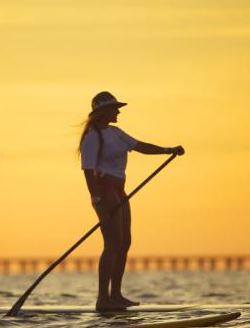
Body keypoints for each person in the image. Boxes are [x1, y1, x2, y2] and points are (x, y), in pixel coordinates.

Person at [79, 91, 184, 312]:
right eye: (114, 108)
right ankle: (102, 299)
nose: (118, 111)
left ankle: (116, 295)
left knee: (125, 242)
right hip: (105, 192)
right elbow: (88, 172)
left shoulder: (116, 133)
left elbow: (140, 146)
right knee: (112, 243)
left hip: (120, 190)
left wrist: (168, 150)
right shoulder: (91, 137)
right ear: (102, 112)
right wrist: (97, 200)